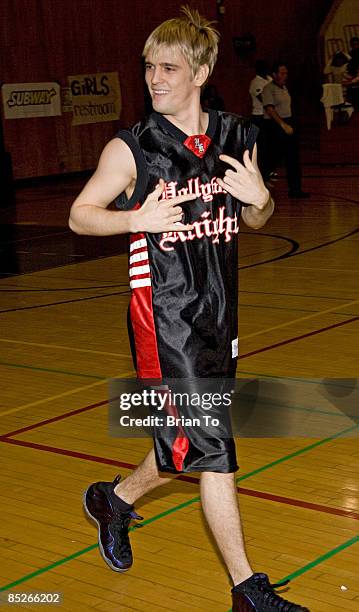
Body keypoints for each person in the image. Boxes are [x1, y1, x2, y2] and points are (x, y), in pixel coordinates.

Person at [69, 7, 309, 611]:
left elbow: (255, 217)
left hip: (220, 316)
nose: (155, 78)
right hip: (164, 321)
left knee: (185, 446)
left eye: (169, 68)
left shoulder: (234, 137)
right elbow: (79, 214)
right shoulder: (133, 148)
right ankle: (247, 591)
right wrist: (135, 218)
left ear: (200, 71)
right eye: (149, 67)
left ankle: (115, 500)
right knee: (215, 448)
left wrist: (260, 204)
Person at [262, 62, 310, 199]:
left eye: (286, 73)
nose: (285, 76)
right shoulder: (268, 88)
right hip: (275, 126)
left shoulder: (284, 88)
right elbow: (269, 109)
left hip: (287, 123)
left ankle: (295, 189)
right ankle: (260, 184)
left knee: (293, 158)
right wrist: (283, 125)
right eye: (282, 73)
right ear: (274, 74)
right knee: (272, 159)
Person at [248, 59, 273, 180]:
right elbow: (264, 99)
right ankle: (262, 173)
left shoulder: (269, 79)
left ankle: (269, 170)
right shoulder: (256, 82)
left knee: (269, 146)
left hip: (269, 116)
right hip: (259, 116)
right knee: (261, 146)